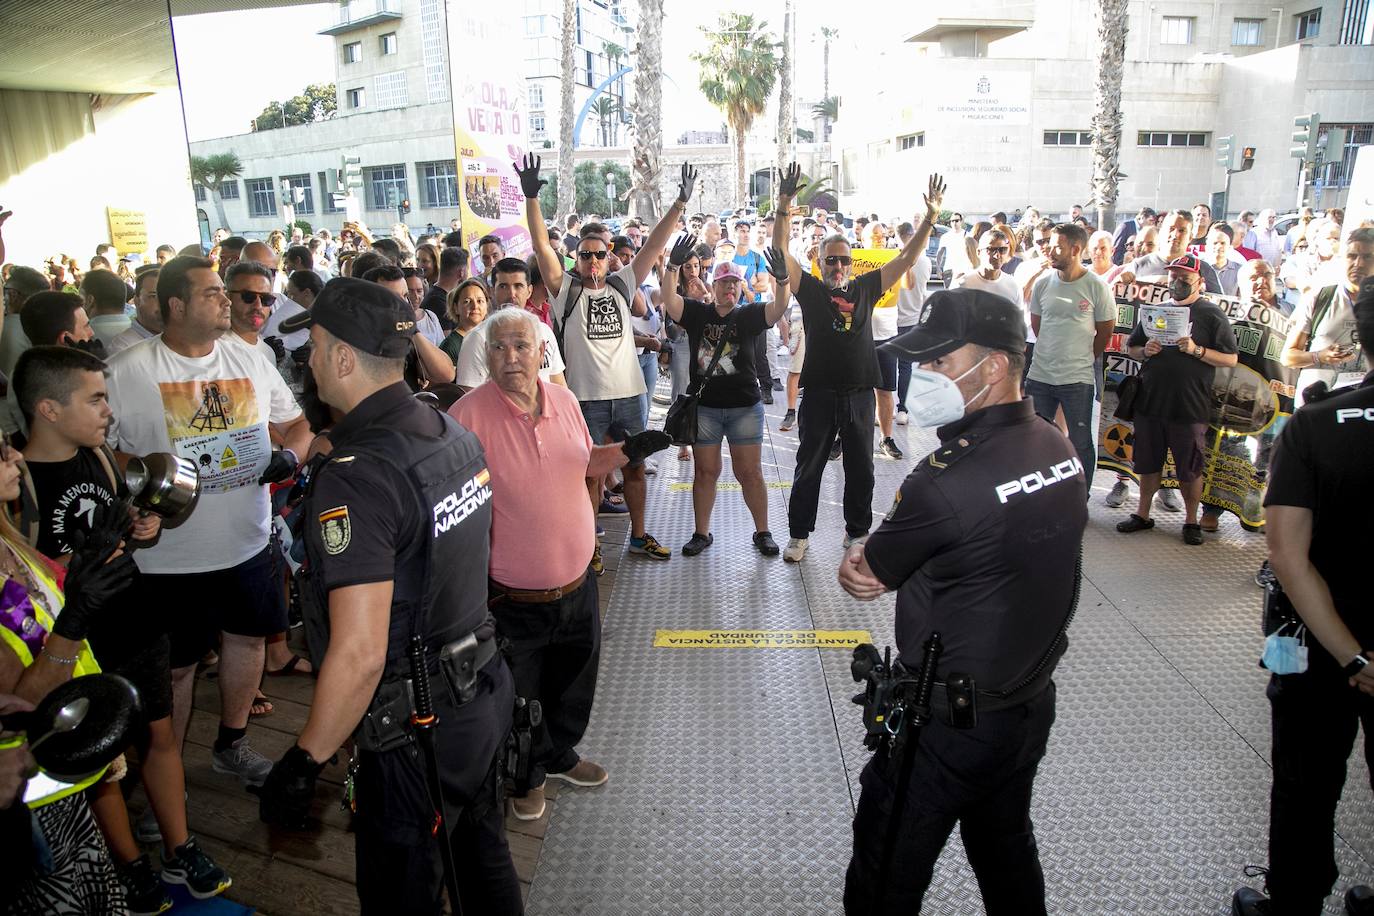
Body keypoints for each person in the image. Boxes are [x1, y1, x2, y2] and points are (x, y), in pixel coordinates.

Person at [258, 278, 522, 915]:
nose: (307, 361)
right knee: (480, 861)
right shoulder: (447, 428)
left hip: (413, 733)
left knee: (401, 891)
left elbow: (359, 653)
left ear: (344, 358)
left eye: (314, 347)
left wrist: (305, 757)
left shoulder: (358, 478)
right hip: (481, 696)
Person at [838, 288, 1088, 916]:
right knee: (1005, 849)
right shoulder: (1058, 449)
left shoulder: (946, 480)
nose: (923, 377)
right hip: (1026, 705)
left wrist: (862, 551)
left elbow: (867, 575)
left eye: (940, 364)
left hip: (944, 728)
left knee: (885, 870)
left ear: (996, 366)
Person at [13, 346, 233, 910]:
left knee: (160, 737)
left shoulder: (106, 460)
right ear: (49, 409)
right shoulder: (20, 486)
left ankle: (180, 847)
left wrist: (144, 526)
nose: (108, 410)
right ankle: (129, 861)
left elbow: (133, 534)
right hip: (73, 640)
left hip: (134, 614)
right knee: (97, 760)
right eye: (95, 399)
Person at [450, 307, 666, 823]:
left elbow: (586, 459)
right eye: (498, 348)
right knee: (519, 698)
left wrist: (638, 445)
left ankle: (558, 755)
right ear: (485, 357)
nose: (510, 358)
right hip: (511, 597)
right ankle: (525, 776)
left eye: (521, 346)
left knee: (573, 682)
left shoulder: (566, 399)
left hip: (578, 583)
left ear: (541, 351)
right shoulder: (466, 417)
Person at [106, 256, 311, 788]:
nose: (228, 300)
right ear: (176, 304)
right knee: (176, 667)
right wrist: (139, 485)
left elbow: (297, 423)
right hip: (166, 557)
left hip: (246, 541)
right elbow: (100, 454)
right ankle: (162, 771)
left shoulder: (252, 358)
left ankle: (232, 744)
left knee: (246, 642)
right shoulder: (130, 370)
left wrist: (291, 457)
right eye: (213, 292)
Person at [1232, 274, 1374, 916]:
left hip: (1321, 647)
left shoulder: (1317, 427)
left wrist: (1356, 659)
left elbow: (1287, 557)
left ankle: (1293, 901)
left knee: (1306, 780)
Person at [0, 431, 153, 914]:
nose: (15, 456)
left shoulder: (9, 538)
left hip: (60, 786)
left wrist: (79, 566)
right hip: (22, 798)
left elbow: (36, 598)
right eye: (0, 453)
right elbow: (17, 710)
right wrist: (74, 621)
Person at [518, 153, 695, 562]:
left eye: (599, 254)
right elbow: (540, 244)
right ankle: (590, 545)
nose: (593, 260)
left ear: (608, 254)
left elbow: (653, 244)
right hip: (586, 400)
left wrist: (679, 204)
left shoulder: (621, 282)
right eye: (585, 255)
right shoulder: (565, 290)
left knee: (634, 468)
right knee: (590, 475)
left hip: (630, 394)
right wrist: (532, 199)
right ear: (576, 259)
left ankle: (638, 535)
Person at [770, 162, 944, 562]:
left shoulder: (867, 287)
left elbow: (905, 259)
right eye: (831, 260)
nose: (838, 267)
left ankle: (857, 533)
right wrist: (783, 204)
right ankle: (799, 536)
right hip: (820, 393)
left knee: (861, 468)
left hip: (861, 393)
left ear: (852, 263)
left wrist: (931, 218)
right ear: (820, 262)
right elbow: (781, 252)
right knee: (808, 467)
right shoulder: (810, 290)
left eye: (844, 260)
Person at [660, 242, 787, 556]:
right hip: (706, 409)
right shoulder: (698, 313)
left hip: (745, 406)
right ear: (712, 286)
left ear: (740, 286)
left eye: (734, 282)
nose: (729, 287)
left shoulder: (750, 315)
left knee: (750, 473)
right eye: (723, 282)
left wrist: (782, 283)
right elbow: (670, 301)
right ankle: (701, 533)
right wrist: (671, 268)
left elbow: (777, 309)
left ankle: (763, 532)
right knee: (705, 472)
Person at [1115, 255, 1239, 545]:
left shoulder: (1211, 314)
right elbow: (1131, 348)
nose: (1177, 282)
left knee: (1190, 466)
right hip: (1150, 401)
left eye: (1184, 278)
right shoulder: (1155, 311)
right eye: (1173, 277)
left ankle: (1191, 520)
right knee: (1147, 462)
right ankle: (1142, 514)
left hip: (1189, 404)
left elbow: (1231, 358)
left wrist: (1197, 351)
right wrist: (1146, 349)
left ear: (1200, 282)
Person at [1024, 223, 1116, 484]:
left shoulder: (1097, 287)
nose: (1049, 251)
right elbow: (1038, 326)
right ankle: (1039, 494)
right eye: (1048, 245)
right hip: (1040, 376)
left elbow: (1105, 332)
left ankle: (1080, 497)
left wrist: (1083, 359)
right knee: (1035, 440)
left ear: (1075, 249)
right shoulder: (1042, 285)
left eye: (1057, 247)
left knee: (1080, 442)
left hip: (1077, 380)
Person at [1281, 228, 1374, 407]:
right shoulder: (1320, 297)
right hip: (1316, 407)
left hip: (1362, 409)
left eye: (1367, 257)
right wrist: (1320, 356)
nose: (1358, 263)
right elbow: (1288, 357)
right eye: (1352, 256)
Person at [453, 258, 566, 390]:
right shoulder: (477, 338)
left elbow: (559, 385)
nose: (512, 294)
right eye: (503, 286)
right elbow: (469, 396)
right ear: (491, 291)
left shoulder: (544, 332)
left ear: (529, 291)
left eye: (518, 286)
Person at [892, 221, 933, 426]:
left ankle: (885, 406)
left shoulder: (893, 257)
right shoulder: (924, 261)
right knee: (905, 366)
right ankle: (902, 408)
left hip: (891, 317)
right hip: (911, 318)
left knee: (887, 364)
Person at [109, 266, 163, 356]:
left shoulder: (179, 340)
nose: (163, 303)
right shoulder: (123, 347)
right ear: (137, 300)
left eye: (168, 296)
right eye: (153, 296)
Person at [440, 277, 490, 363]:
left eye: (480, 301)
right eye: (467, 301)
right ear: (456, 308)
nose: (475, 306)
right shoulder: (450, 346)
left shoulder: (492, 337)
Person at [79, 270, 131, 347]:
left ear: (90, 300)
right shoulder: (145, 334)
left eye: (80, 297)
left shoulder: (79, 337)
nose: (79, 303)